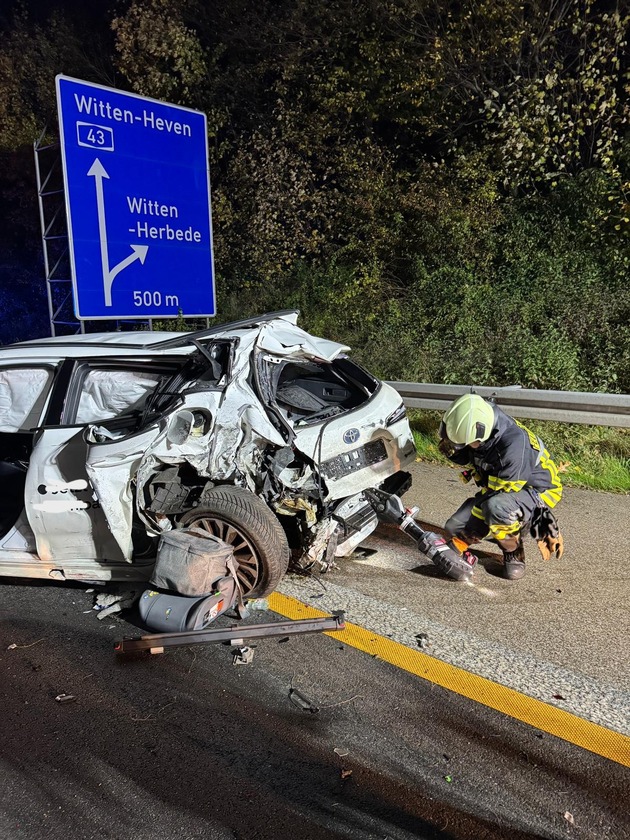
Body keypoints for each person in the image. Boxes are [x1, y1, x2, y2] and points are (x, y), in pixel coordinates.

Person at [438, 393, 564, 580]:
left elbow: (491, 498)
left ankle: (514, 550)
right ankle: (501, 528)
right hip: (502, 492)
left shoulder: (513, 448)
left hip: (537, 493)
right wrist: (453, 449)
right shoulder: (481, 422)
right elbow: (472, 455)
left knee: (496, 509)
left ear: (481, 433)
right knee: (453, 527)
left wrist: (462, 541)